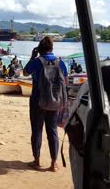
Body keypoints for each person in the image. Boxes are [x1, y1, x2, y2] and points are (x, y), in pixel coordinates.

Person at [23, 36, 68, 172]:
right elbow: (65, 81)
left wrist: (32, 56)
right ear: (51, 48)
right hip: (55, 100)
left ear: (40, 49)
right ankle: (53, 163)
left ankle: (37, 160)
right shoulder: (60, 62)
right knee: (52, 130)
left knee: (37, 130)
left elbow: (25, 72)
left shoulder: (37, 62)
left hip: (38, 100)